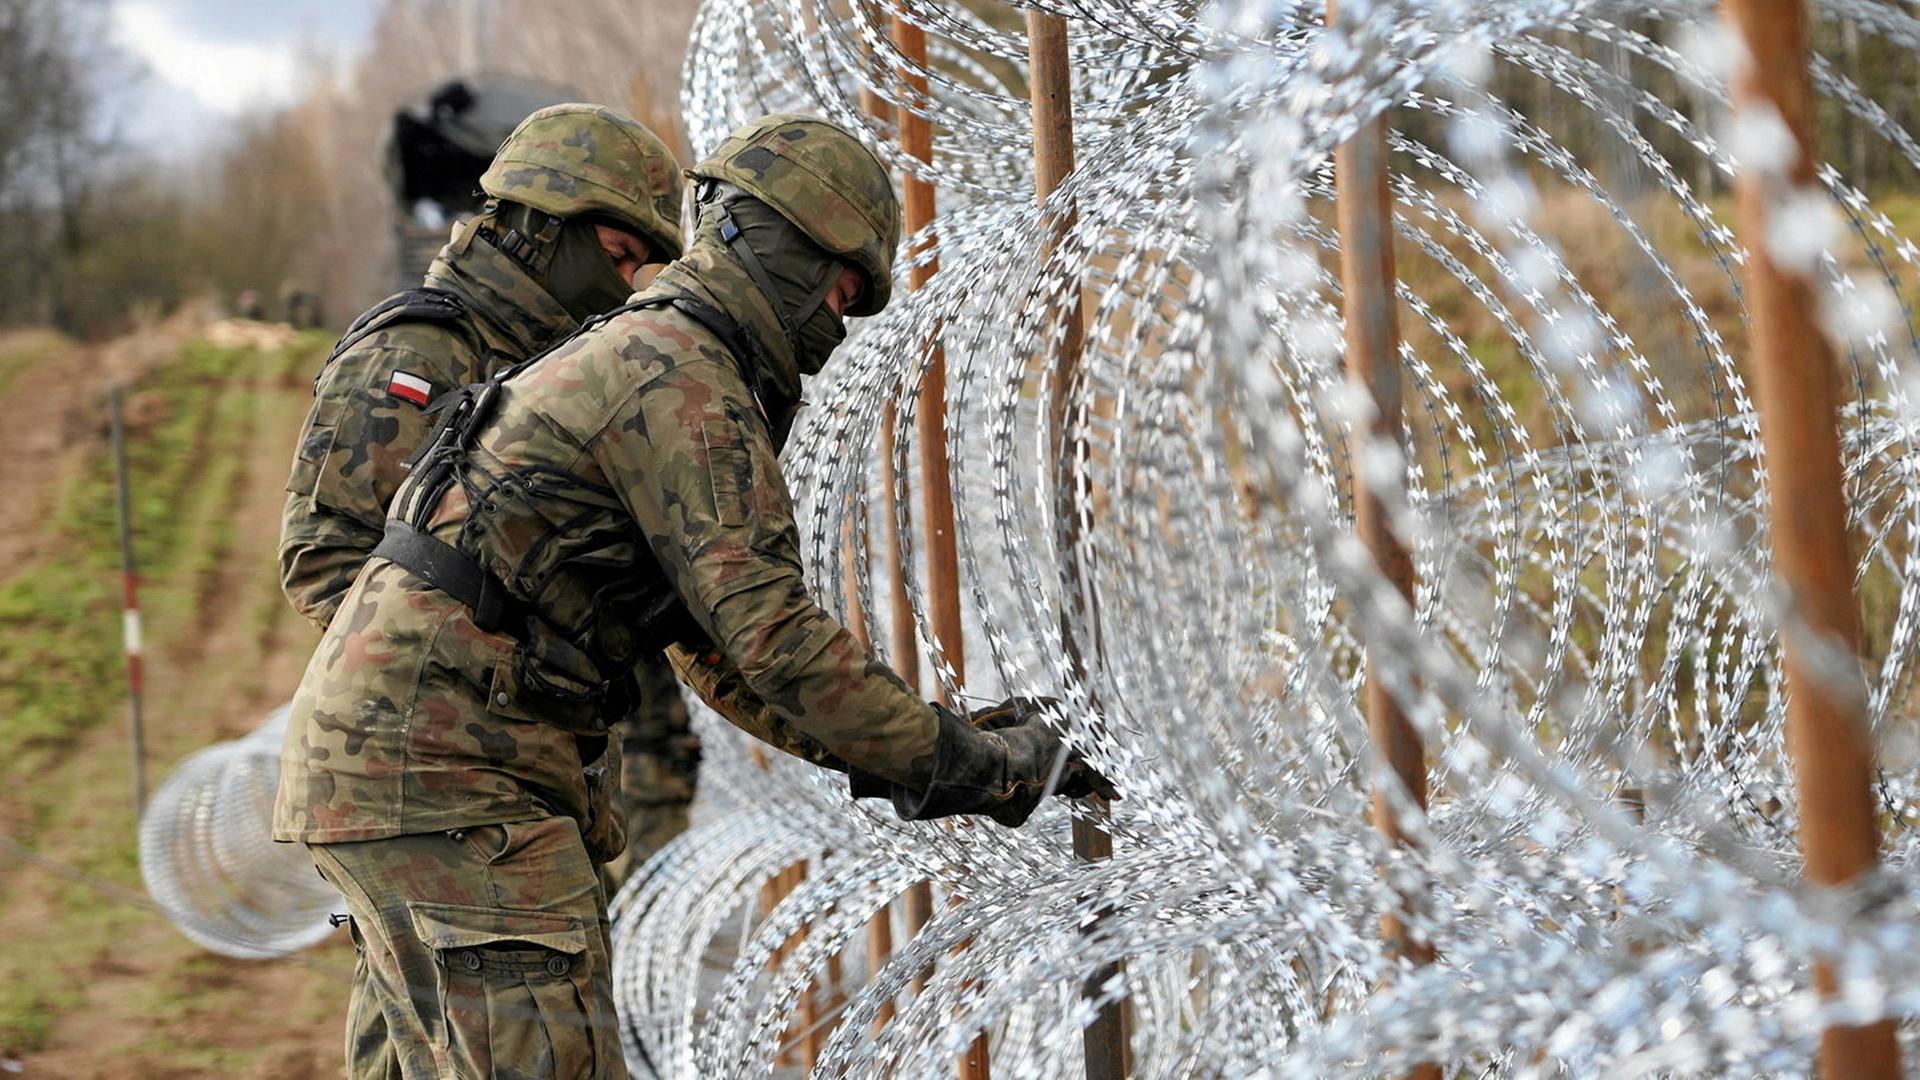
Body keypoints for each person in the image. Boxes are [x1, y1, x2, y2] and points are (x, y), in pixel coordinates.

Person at [274, 112, 1111, 1079]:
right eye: (836, 290)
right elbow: (773, 638)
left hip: (423, 778)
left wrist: (925, 754)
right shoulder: (683, 381)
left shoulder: (660, 356)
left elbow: (718, 654)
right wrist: (973, 762)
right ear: (774, 249)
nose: (836, 327)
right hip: (460, 788)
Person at [274, 102, 687, 1078]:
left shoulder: (536, 367)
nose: (627, 286)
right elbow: (327, 560)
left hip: (501, 790)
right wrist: (483, 690)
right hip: (443, 798)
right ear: (544, 224)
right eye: (621, 255)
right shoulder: (422, 359)